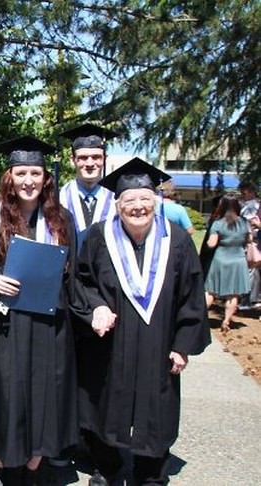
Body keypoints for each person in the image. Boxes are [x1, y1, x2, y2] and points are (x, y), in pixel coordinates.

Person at [72, 158, 210, 485]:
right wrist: (95, 308)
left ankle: (151, 472)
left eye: (145, 199)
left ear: (156, 201)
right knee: (103, 402)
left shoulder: (175, 240)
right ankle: (107, 467)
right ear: (117, 204)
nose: (138, 207)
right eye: (129, 200)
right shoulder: (98, 237)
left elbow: (191, 292)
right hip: (110, 343)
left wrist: (182, 345)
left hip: (158, 343)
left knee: (156, 407)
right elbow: (81, 281)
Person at [0, 136, 79, 484]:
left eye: (35, 173)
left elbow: (74, 275)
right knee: (8, 394)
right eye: (21, 173)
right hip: (9, 326)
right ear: (10, 176)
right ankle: (4, 465)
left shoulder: (61, 220)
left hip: (51, 326)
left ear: (46, 177)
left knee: (45, 394)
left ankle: (35, 464)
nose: (29, 181)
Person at [58, 124, 119, 244]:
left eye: (96, 157)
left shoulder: (116, 198)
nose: (90, 163)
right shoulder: (60, 198)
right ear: (72, 160)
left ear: (104, 159)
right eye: (83, 158)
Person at [204, 194, 250, 332]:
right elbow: (248, 240)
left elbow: (212, 244)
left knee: (211, 291)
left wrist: (207, 242)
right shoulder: (244, 222)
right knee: (233, 293)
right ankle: (226, 321)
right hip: (238, 260)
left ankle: (199, 316)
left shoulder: (218, 223)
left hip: (220, 259)